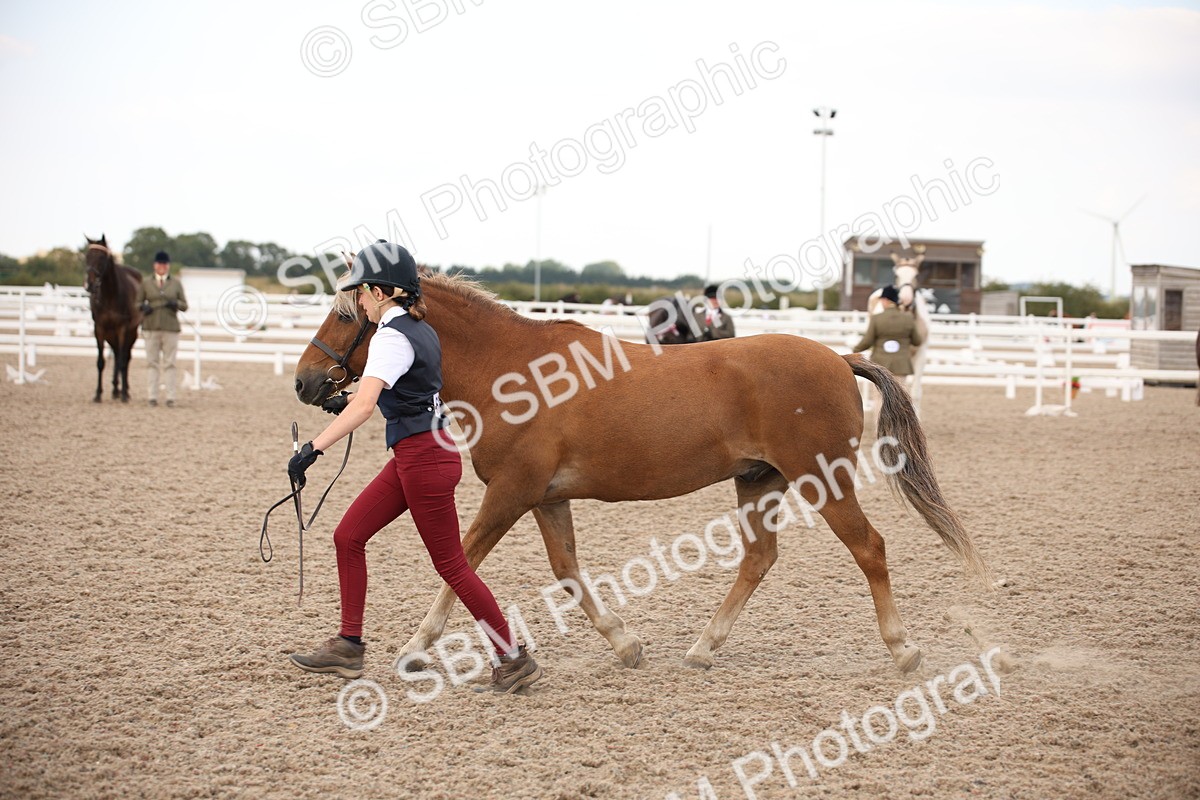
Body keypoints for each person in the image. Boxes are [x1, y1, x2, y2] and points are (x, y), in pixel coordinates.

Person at [286, 240, 542, 693]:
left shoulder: (388, 335)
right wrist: (344, 398)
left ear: (381, 292)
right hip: (421, 453)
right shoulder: (419, 329)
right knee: (348, 536)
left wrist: (313, 448)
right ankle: (348, 644)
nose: (358, 301)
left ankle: (512, 656)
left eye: (360, 293)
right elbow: (408, 389)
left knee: (453, 566)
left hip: (423, 460)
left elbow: (366, 405)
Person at [136, 251, 188, 407]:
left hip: (170, 328)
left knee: (170, 363)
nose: (162, 267)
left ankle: (170, 397)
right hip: (151, 327)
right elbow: (136, 303)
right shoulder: (146, 283)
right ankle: (152, 396)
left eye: (164, 264)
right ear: (155, 265)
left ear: (168, 266)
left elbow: (184, 305)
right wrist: (143, 307)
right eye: (159, 264)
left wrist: (176, 304)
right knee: (152, 362)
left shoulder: (176, 283)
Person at [853, 284, 925, 376]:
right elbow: (917, 341)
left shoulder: (877, 318)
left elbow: (867, 341)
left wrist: (855, 349)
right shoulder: (908, 318)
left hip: (880, 365)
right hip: (901, 365)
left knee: (879, 391)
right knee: (900, 390)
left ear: (886, 300)